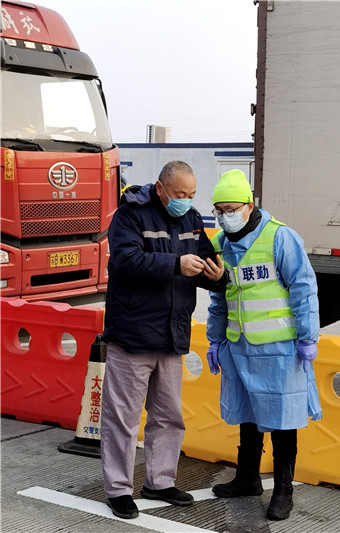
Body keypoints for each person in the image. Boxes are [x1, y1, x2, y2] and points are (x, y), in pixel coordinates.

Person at [101, 161, 227, 519]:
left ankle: (160, 481)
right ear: (160, 189)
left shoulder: (191, 219)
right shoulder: (130, 216)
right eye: (179, 194)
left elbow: (203, 261)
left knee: (168, 416)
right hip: (133, 334)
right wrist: (175, 264)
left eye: (191, 194)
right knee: (123, 418)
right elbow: (126, 261)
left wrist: (217, 276)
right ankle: (118, 489)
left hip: (173, 334)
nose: (186, 200)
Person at [206, 169, 322, 521]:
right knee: (247, 413)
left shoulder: (279, 237)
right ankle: (247, 478)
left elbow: (303, 288)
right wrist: (214, 339)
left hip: (280, 348)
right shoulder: (220, 244)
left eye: (231, 209)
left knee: (283, 419)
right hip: (239, 345)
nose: (225, 217)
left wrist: (308, 337)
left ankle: (284, 490)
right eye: (219, 210)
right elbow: (219, 298)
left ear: (249, 205)